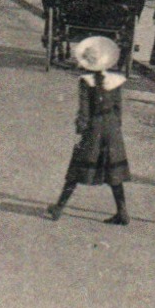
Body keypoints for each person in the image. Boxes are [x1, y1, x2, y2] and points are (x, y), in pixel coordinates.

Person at [45, 36, 131, 226]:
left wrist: (80, 129)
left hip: (94, 126)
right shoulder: (116, 80)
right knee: (113, 169)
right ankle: (122, 212)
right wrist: (115, 129)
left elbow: (84, 111)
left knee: (77, 167)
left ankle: (59, 207)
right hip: (112, 128)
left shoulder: (86, 81)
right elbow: (118, 109)